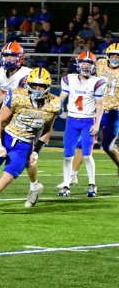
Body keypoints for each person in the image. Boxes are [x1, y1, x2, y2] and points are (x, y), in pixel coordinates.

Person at [0, 68, 62, 217]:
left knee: (8, 177)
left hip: (24, 144)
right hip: (7, 136)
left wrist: (36, 151)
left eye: (41, 86)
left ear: (47, 87)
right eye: (34, 85)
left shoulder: (54, 104)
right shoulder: (18, 96)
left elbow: (47, 129)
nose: (37, 89)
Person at [0, 42, 37, 203]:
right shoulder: (0, 72)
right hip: (3, 121)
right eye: (6, 56)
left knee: (29, 159)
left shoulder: (27, 76)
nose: (9, 59)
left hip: (19, 124)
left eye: (12, 56)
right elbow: (3, 90)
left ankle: (34, 185)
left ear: (21, 58)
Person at [58, 51, 106, 197]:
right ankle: (66, 184)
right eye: (83, 63)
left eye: (89, 64)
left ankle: (92, 184)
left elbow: (100, 105)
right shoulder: (68, 79)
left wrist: (97, 124)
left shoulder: (97, 82)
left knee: (87, 154)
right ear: (78, 64)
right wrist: (59, 110)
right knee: (68, 155)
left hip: (88, 121)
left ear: (93, 66)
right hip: (72, 121)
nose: (86, 66)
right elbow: (61, 97)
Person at [95, 43, 119, 183]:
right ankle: (71, 176)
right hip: (98, 109)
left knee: (107, 146)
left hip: (114, 112)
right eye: (113, 55)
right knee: (83, 141)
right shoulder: (100, 64)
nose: (115, 58)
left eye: (117, 56)